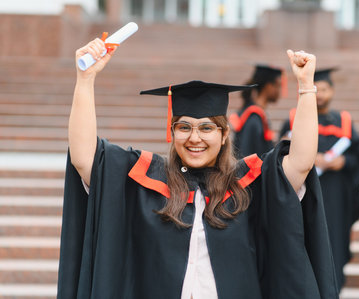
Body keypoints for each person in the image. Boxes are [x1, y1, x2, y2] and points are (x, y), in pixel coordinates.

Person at [57, 37, 339, 299]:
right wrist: (85, 79)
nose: (194, 138)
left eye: (206, 127)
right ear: (172, 131)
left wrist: (306, 87)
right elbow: (84, 158)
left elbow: (301, 161)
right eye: (184, 127)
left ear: (224, 134)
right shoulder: (145, 179)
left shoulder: (247, 182)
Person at [279, 68, 359, 290]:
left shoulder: (344, 120)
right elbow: (279, 154)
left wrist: (343, 162)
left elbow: (358, 156)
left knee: (334, 244)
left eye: (325, 89)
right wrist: (308, 158)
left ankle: (332, 290)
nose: (322, 94)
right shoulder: (294, 118)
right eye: (318, 90)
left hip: (335, 197)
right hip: (304, 195)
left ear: (332, 91)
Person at [230, 64, 284, 158]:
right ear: (268, 86)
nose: (280, 91)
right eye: (278, 85)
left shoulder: (257, 115)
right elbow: (245, 156)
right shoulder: (253, 118)